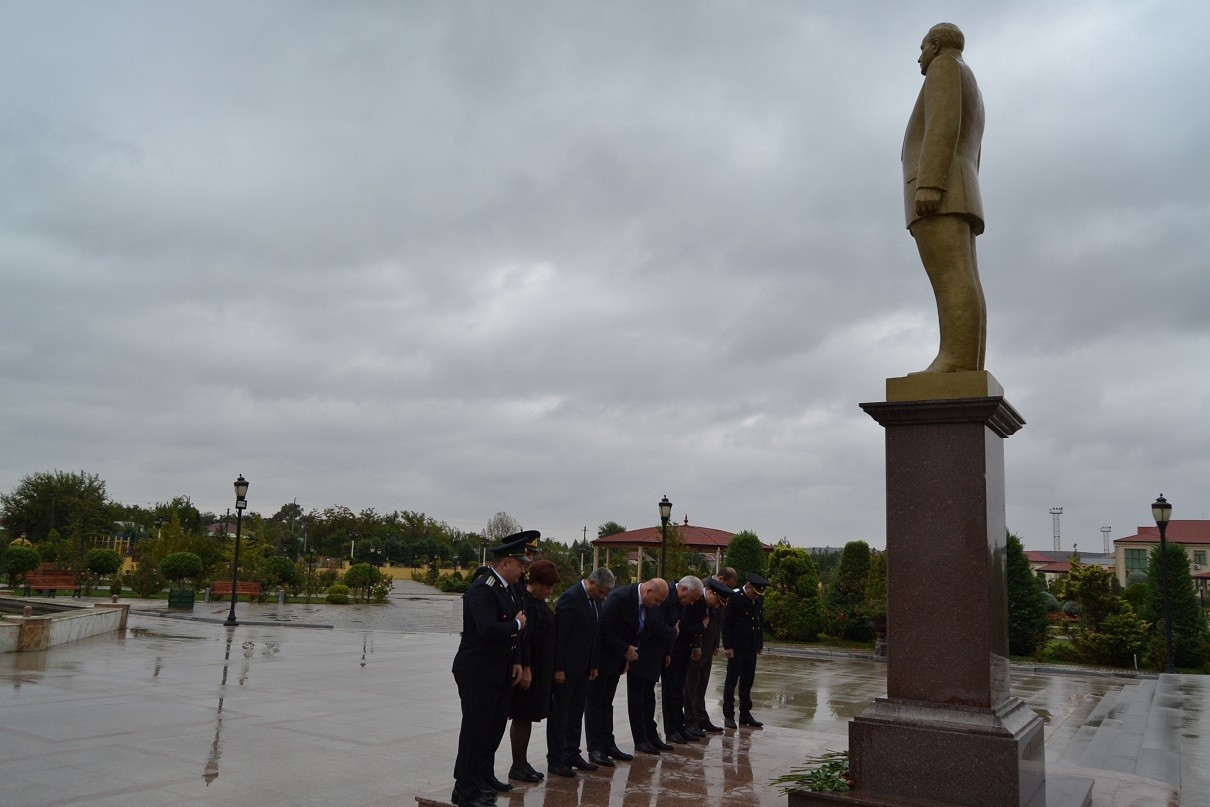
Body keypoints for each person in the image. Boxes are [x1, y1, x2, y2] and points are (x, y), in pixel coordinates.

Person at [902, 22, 986, 375]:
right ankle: (966, 363)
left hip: (941, 189)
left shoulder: (944, 68)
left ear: (935, 46)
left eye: (922, 48)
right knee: (963, 276)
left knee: (950, 276)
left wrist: (930, 183)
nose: (918, 57)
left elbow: (943, 124)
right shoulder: (968, 78)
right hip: (960, 186)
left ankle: (955, 361)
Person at [450, 533, 532, 807]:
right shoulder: (483, 589)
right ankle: (465, 790)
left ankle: (482, 779)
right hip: (477, 671)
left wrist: (517, 660)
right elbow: (488, 630)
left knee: (492, 730)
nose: (524, 571)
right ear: (506, 563)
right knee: (475, 732)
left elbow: (512, 635)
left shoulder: (507, 588)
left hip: (500, 670)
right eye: (521, 565)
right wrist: (517, 626)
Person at [585, 578, 667, 760]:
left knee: (607, 703)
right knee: (595, 703)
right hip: (603, 658)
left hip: (618, 660)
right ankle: (595, 748)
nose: (658, 605)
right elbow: (604, 628)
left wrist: (626, 656)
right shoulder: (620, 597)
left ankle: (608, 744)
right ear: (648, 592)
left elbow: (640, 629)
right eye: (658, 600)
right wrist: (624, 649)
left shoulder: (647, 605)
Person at [548, 567, 615, 775]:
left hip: (584, 668)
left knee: (576, 714)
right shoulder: (571, 598)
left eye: (605, 594)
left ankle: (571, 753)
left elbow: (596, 635)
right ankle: (556, 759)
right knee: (561, 715)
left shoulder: (596, 601)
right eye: (602, 591)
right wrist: (558, 668)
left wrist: (594, 664)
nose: (603, 596)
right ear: (592, 582)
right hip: (566, 669)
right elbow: (560, 636)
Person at [506, 560, 561, 784]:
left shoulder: (539, 602)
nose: (549, 592)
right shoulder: (526, 602)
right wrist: (526, 668)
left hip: (541, 669)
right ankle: (517, 764)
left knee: (528, 717)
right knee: (522, 716)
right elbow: (524, 639)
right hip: (529, 670)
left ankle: (523, 762)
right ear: (534, 583)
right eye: (546, 587)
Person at [683, 571, 736, 734]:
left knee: (702, 682)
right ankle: (690, 720)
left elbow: (717, 621)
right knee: (692, 683)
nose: (718, 605)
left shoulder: (717, 593)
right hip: (696, 646)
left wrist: (715, 643)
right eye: (727, 585)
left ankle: (701, 717)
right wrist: (697, 645)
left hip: (708, 644)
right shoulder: (701, 588)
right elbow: (696, 621)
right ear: (720, 580)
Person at [659, 576, 705, 744]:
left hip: (680, 650)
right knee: (670, 692)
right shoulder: (667, 596)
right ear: (684, 589)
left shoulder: (681, 600)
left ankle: (679, 727)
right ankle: (671, 730)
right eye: (691, 598)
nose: (691, 603)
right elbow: (676, 627)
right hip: (671, 652)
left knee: (679, 692)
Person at [721, 571, 766, 729]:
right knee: (731, 682)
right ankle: (728, 715)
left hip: (751, 647)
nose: (756, 596)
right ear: (747, 587)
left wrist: (759, 643)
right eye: (754, 593)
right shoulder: (734, 597)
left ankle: (745, 714)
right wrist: (727, 646)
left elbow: (759, 621)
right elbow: (726, 622)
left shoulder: (758, 599)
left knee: (747, 681)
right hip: (736, 647)